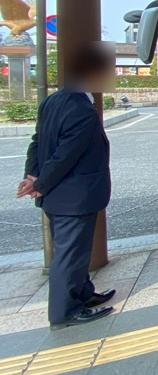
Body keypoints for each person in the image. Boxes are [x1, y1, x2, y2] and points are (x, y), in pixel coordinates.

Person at [17, 44, 116, 327]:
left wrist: (32, 176)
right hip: (73, 196)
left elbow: (37, 142)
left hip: (59, 196)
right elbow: (65, 155)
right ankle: (65, 311)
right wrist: (41, 183)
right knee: (70, 255)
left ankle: (83, 293)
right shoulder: (81, 109)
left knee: (75, 251)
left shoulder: (53, 101)